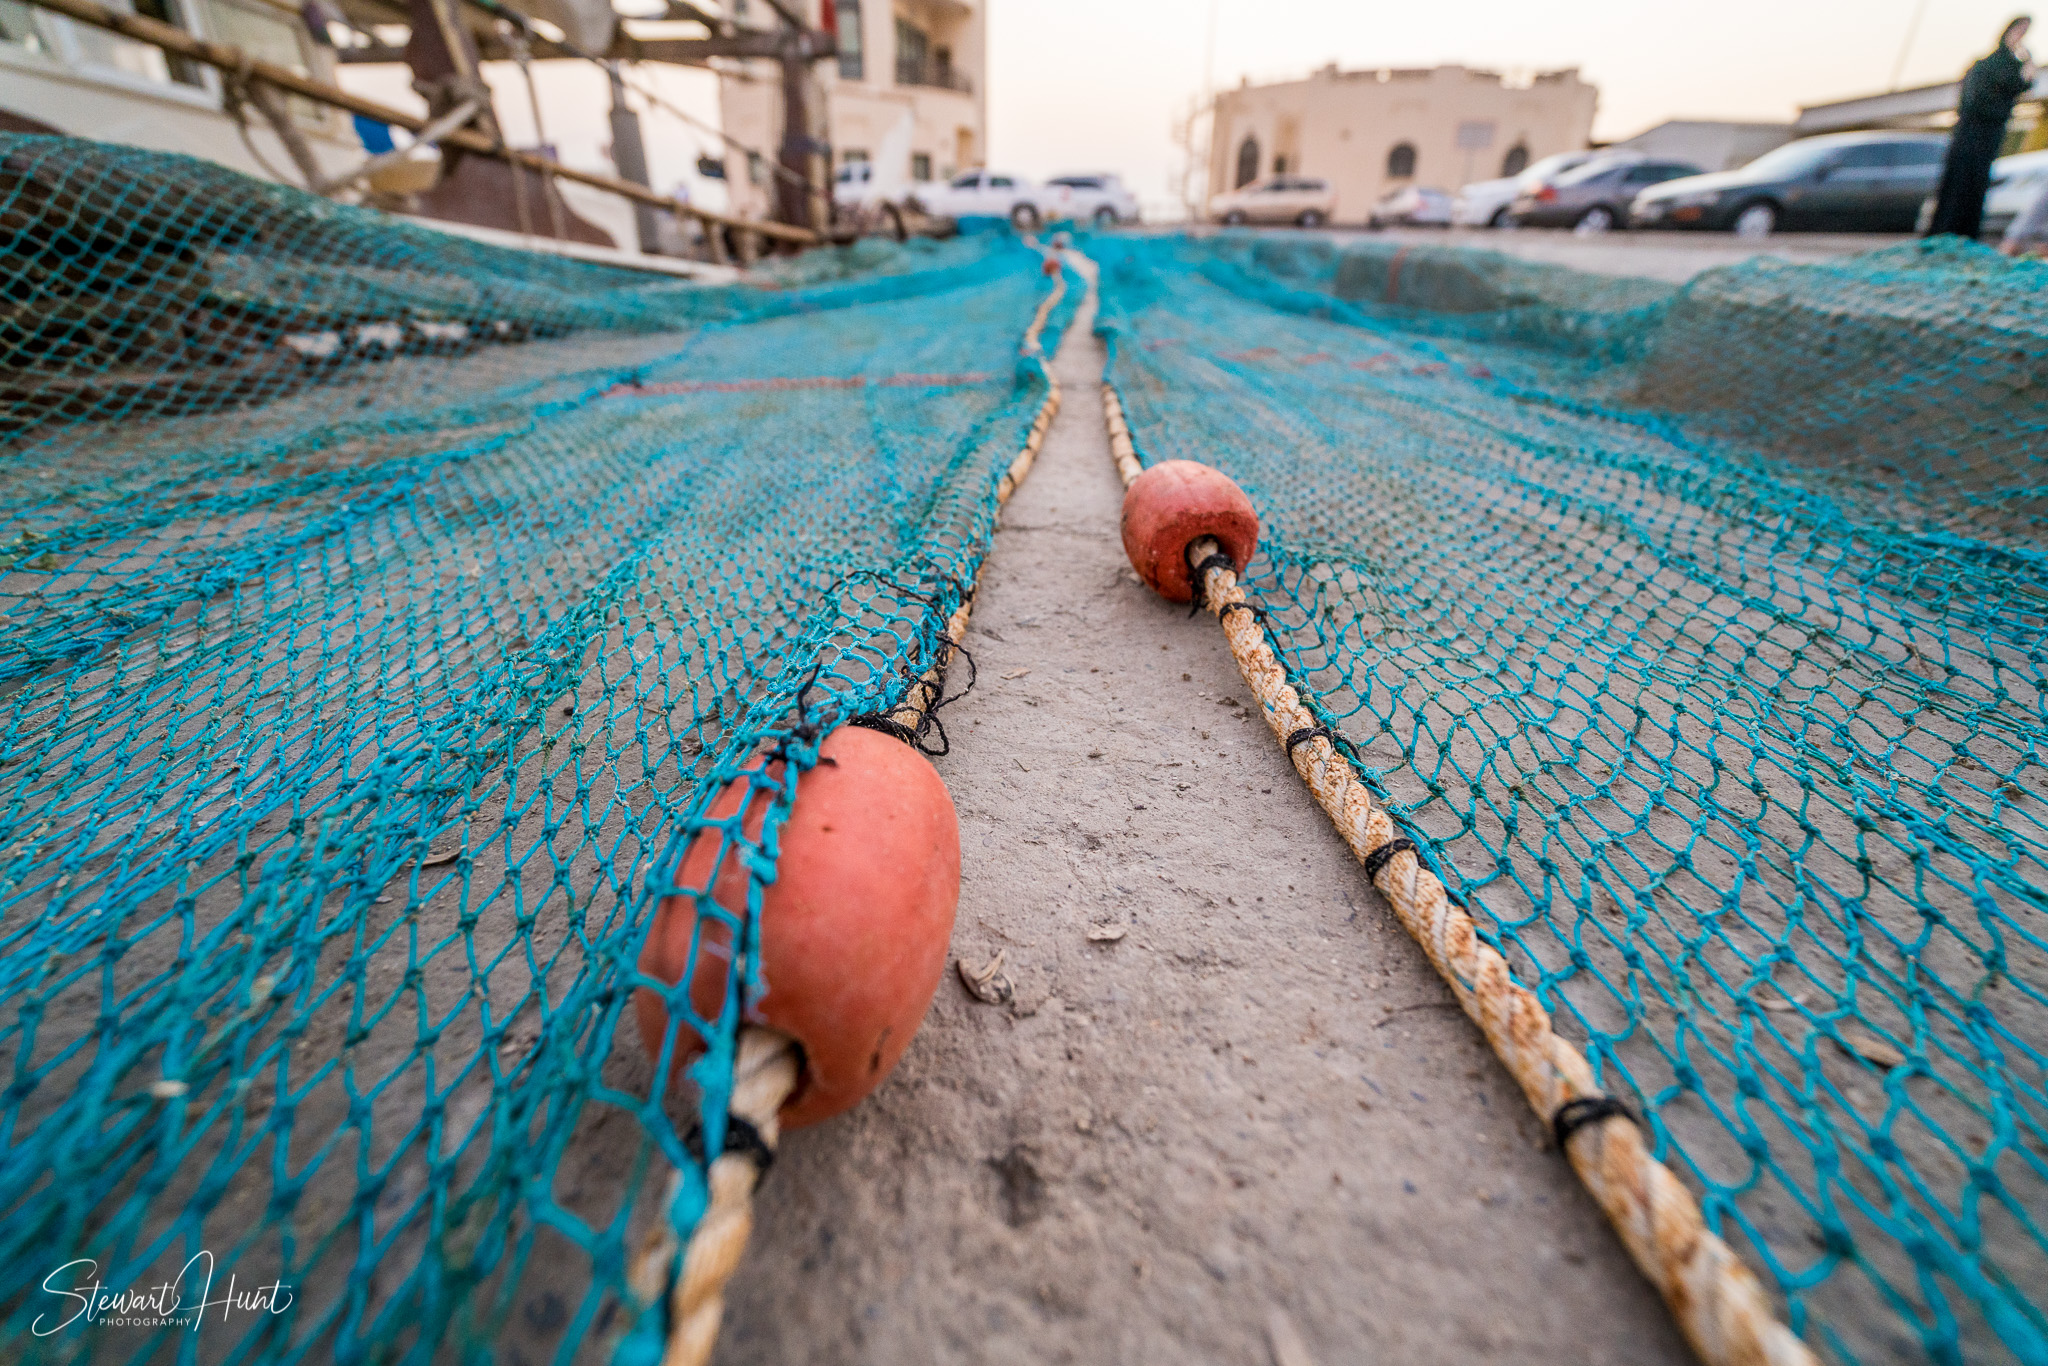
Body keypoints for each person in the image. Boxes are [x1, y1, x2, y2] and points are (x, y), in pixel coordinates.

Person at [1927, 16, 2037, 240]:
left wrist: (2027, 59)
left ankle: (1964, 231)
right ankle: (1944, 230)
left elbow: (2024, 84)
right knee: (1958, 180)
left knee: (1975, 183)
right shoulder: (1986, 64)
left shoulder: (2012, 65)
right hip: (1971, 132)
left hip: (1988, 134)